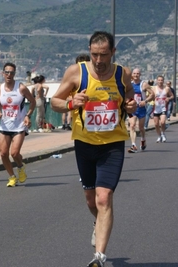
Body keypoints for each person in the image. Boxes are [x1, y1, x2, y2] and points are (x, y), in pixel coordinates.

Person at [50, 31, 137, 267]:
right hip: (84, 145)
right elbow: (54, 101)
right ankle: (98, 223)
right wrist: (70, 102)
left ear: (113, 52)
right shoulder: (76, 72)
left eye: (104, 55)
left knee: (104, 197)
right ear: (89, 50)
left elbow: (129, 93)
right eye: (95, 54)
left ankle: (99, 256)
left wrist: (131, 104)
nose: (99, 60)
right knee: (91, 200)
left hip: (112, 145)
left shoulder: (122, 73)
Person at [0, 62, 36, 187]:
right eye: (7, 72)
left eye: (12, 72)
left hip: (19, 125)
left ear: (14, 74)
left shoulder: (21, 88)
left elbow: (32, 102)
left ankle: (20, 166)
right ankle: (12, 177)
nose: (9, 75)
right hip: (5, 125)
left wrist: (28, 115)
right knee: (3, 153)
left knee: (14, 153)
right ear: (3, 73)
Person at [127, 68, 154, 153]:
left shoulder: (144, 84)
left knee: (141, 127)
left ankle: (143, 139)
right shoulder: (129, 84)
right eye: (134, 73)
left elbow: (152, 94)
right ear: (132, 75)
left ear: (140, 75)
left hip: (141, 108)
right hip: (132, 108)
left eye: (137, 73)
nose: (135, 75)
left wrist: (145, 101)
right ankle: (133, 145)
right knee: (132, 125)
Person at [152, 75, 174, 143]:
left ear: (163, 81)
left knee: (162, 122)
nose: (160, 81)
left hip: (163, 108)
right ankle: (159, 136)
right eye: (159, 80)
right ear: (156, 81)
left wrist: (168, 98)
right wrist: (153, 97)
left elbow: (172, 96)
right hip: (156, 108)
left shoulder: (167, 88)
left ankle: (163, 133)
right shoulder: (154, 88)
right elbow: (149, 96)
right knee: (156, 124)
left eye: (161, 80)